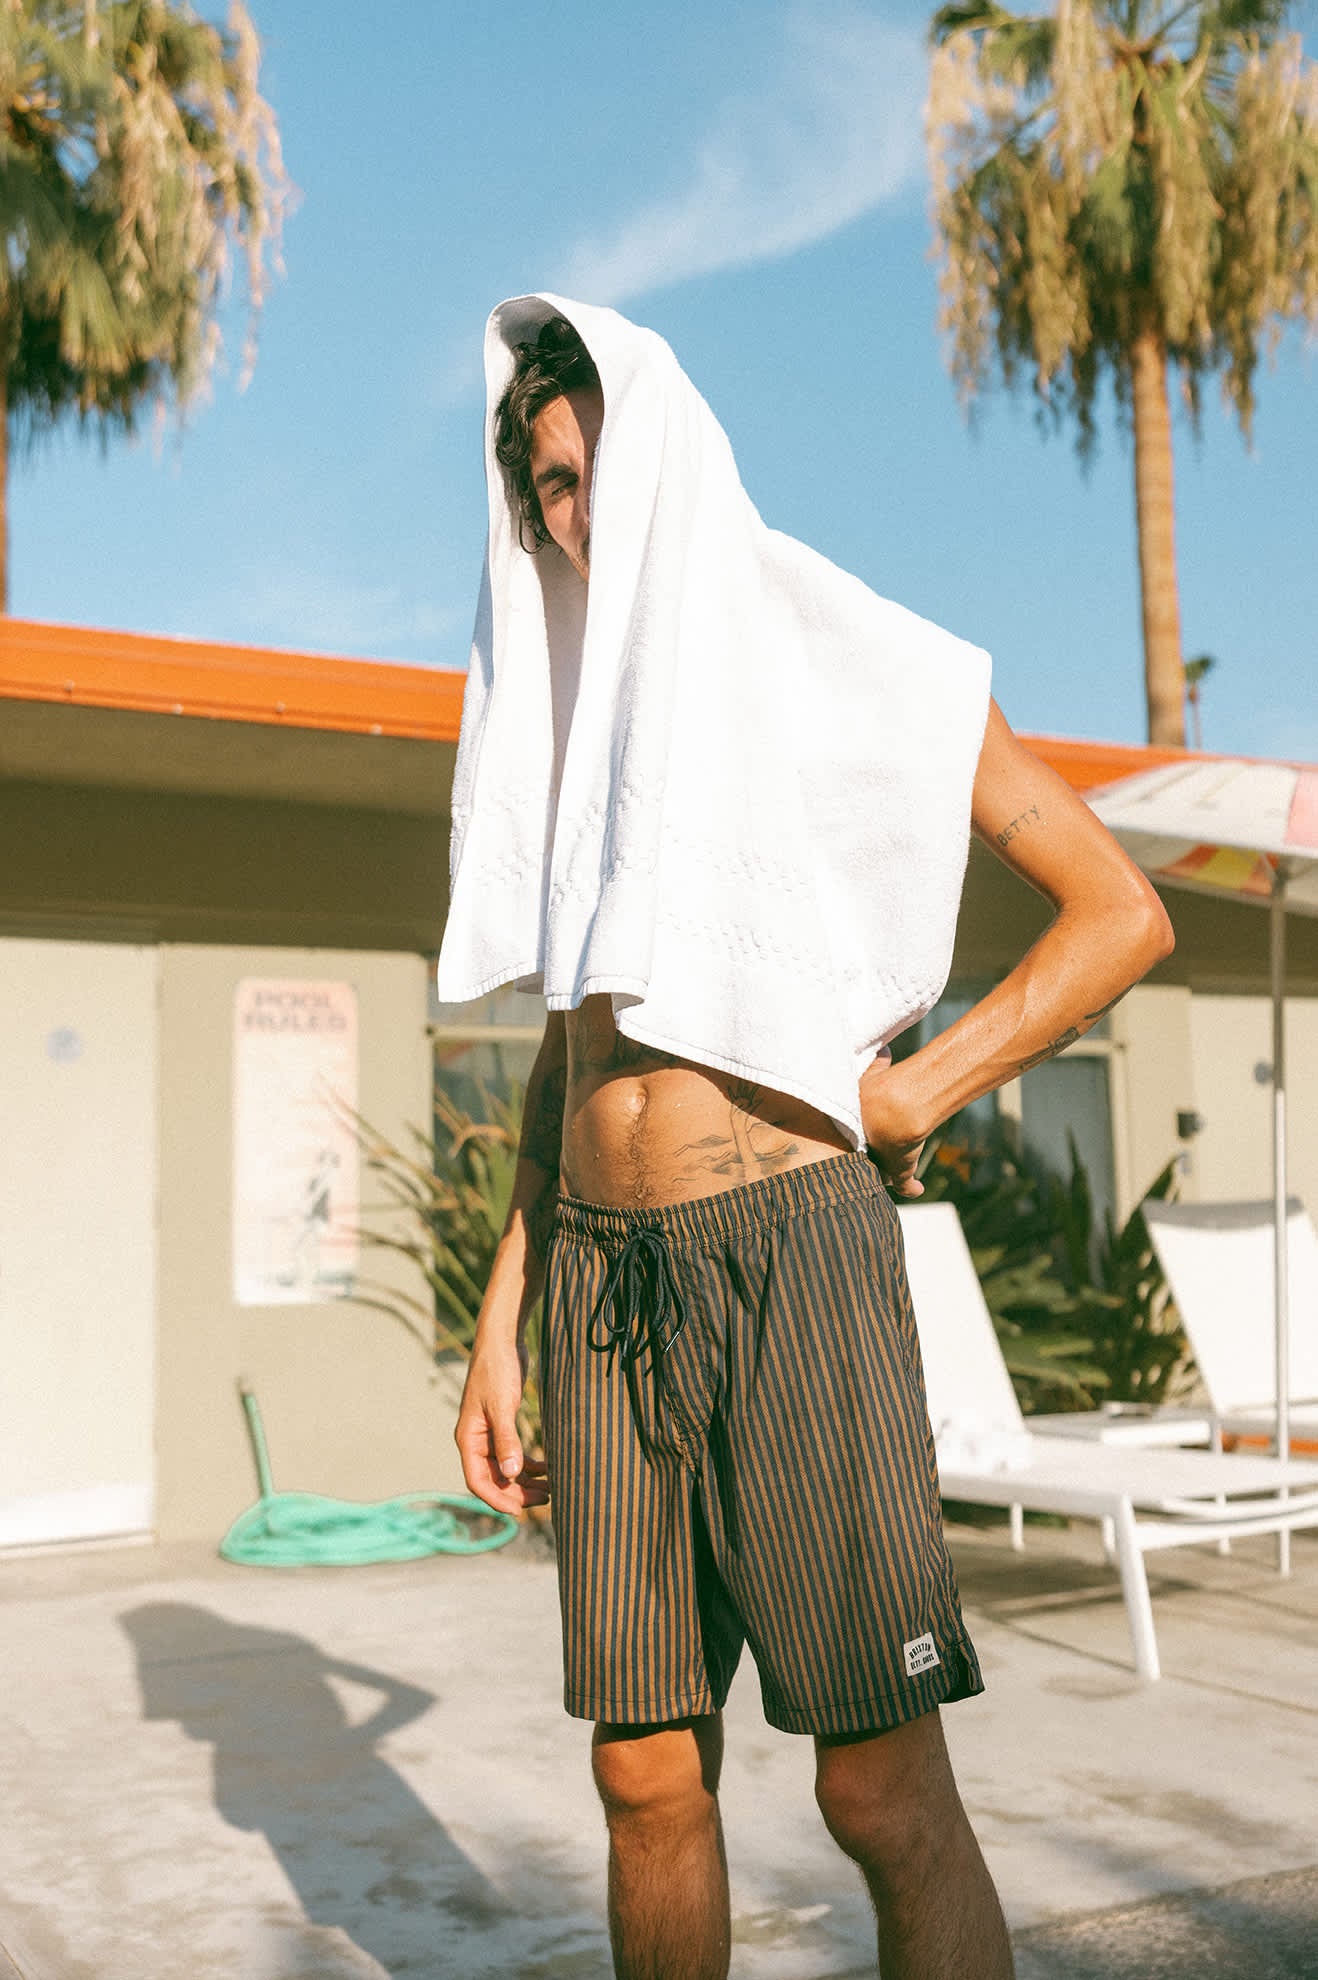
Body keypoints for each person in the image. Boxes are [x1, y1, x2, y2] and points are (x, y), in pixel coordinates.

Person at [438, 298, 1173, 1980]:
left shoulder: (823, 638)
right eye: (547, 486)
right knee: (641, 1781)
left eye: (597, 470)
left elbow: (1115, 912)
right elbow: (576, 1037)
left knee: (875, 1790)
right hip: (602, 1286)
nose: (575, 513)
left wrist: (916, 1090)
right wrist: (503, 1308)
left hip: (792, 1260)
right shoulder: (572, 719)